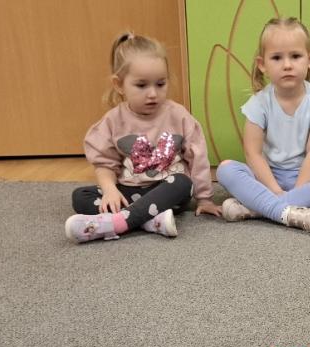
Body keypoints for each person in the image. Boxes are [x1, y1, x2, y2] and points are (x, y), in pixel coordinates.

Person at [65, 32, 220, 243]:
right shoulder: (113, 120)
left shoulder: (178, 115)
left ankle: (118, 223)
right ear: (119, 84)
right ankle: (148, 220)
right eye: (141, 85)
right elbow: (104, 163)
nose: (153, 94)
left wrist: (204, 199)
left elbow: (197, 157)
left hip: (168, 192)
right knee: (81, 196)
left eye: (160, 84)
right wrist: (110, 191)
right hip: (130, 191)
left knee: (183, 182)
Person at [215, 17, 310, 234]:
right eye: (276, 58)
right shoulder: (259, 103)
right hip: (266, 177)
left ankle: (257, 209)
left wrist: (296, 190)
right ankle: (290, 211)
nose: (287, 65)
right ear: (262, 65)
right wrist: (275, 190)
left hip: (305, 178)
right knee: (225, 169)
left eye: (295, 56)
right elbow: (253, 154)